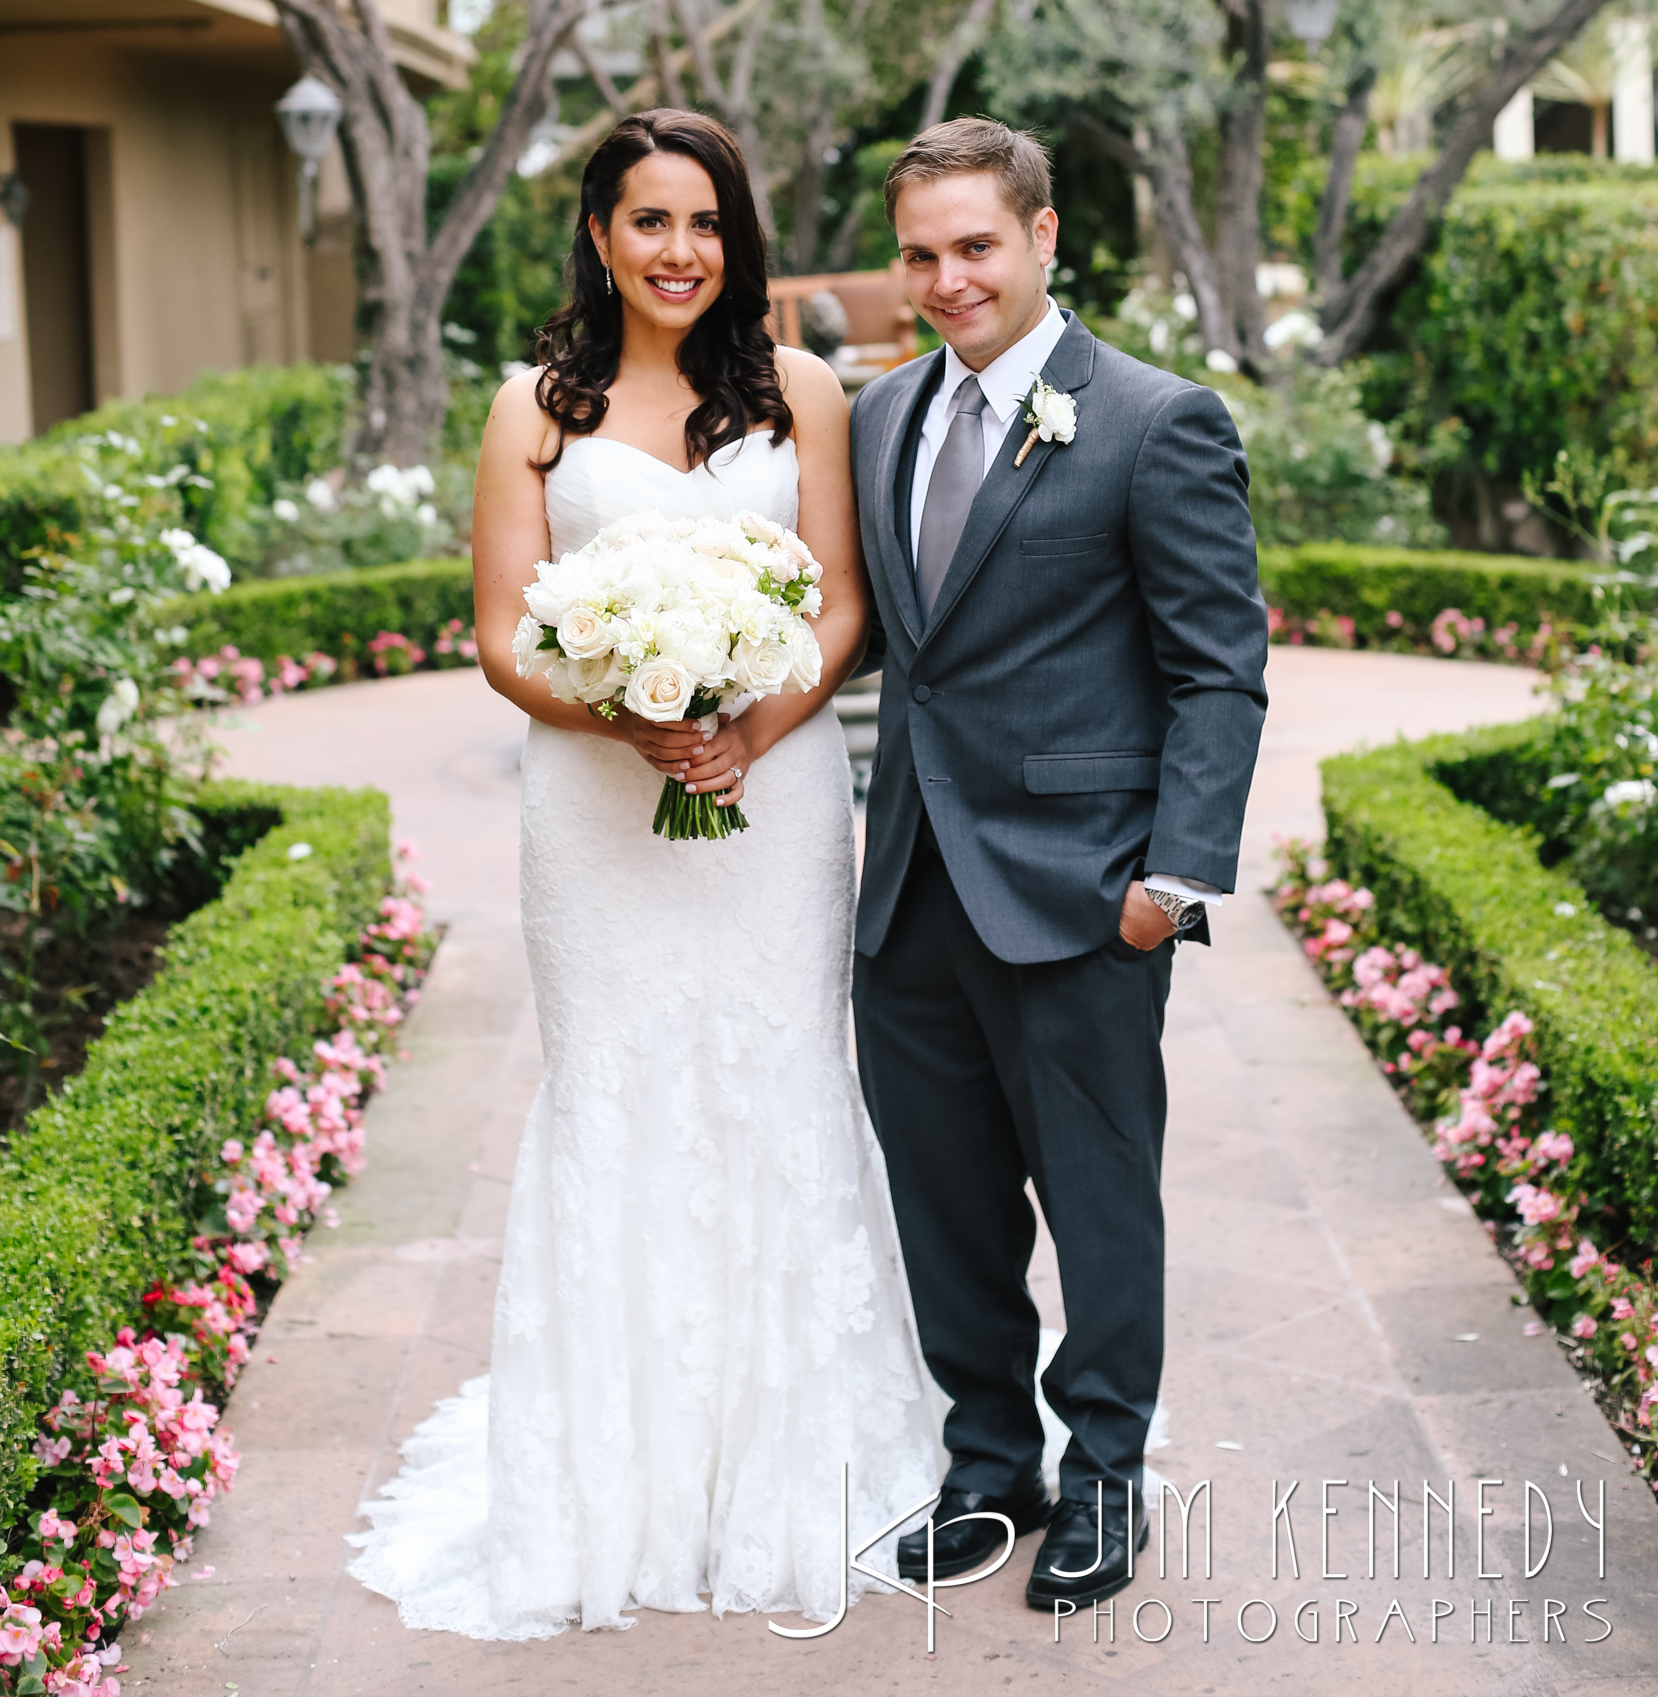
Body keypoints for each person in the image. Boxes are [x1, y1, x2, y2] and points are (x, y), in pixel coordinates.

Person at [348, 108, 939, 1638]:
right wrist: (629, 709)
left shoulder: (805, 390)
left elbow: (843, 609)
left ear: (733, 240)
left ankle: (801, 1460)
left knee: (781, 1076)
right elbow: (497, 637)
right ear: (600, 236)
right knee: (617, 1083)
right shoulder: (532, 410)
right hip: (599, 819)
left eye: (706, 223)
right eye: (650, 221)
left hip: (778, 795)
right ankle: (613, 1483)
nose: (681, 251)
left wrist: (747, 722)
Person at [848, 117, 1266, 1612]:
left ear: (1042, 237)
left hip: (1087, 899)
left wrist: (1175, 879)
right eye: (920, 253)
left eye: (974, 245)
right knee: (943, 1203)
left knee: (1097, 1205)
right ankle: (987, 1468)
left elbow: (1221, 671)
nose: (946, 278)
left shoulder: (1158, 420)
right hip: (906, 897)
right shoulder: (878, 418)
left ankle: (1105, 1475)